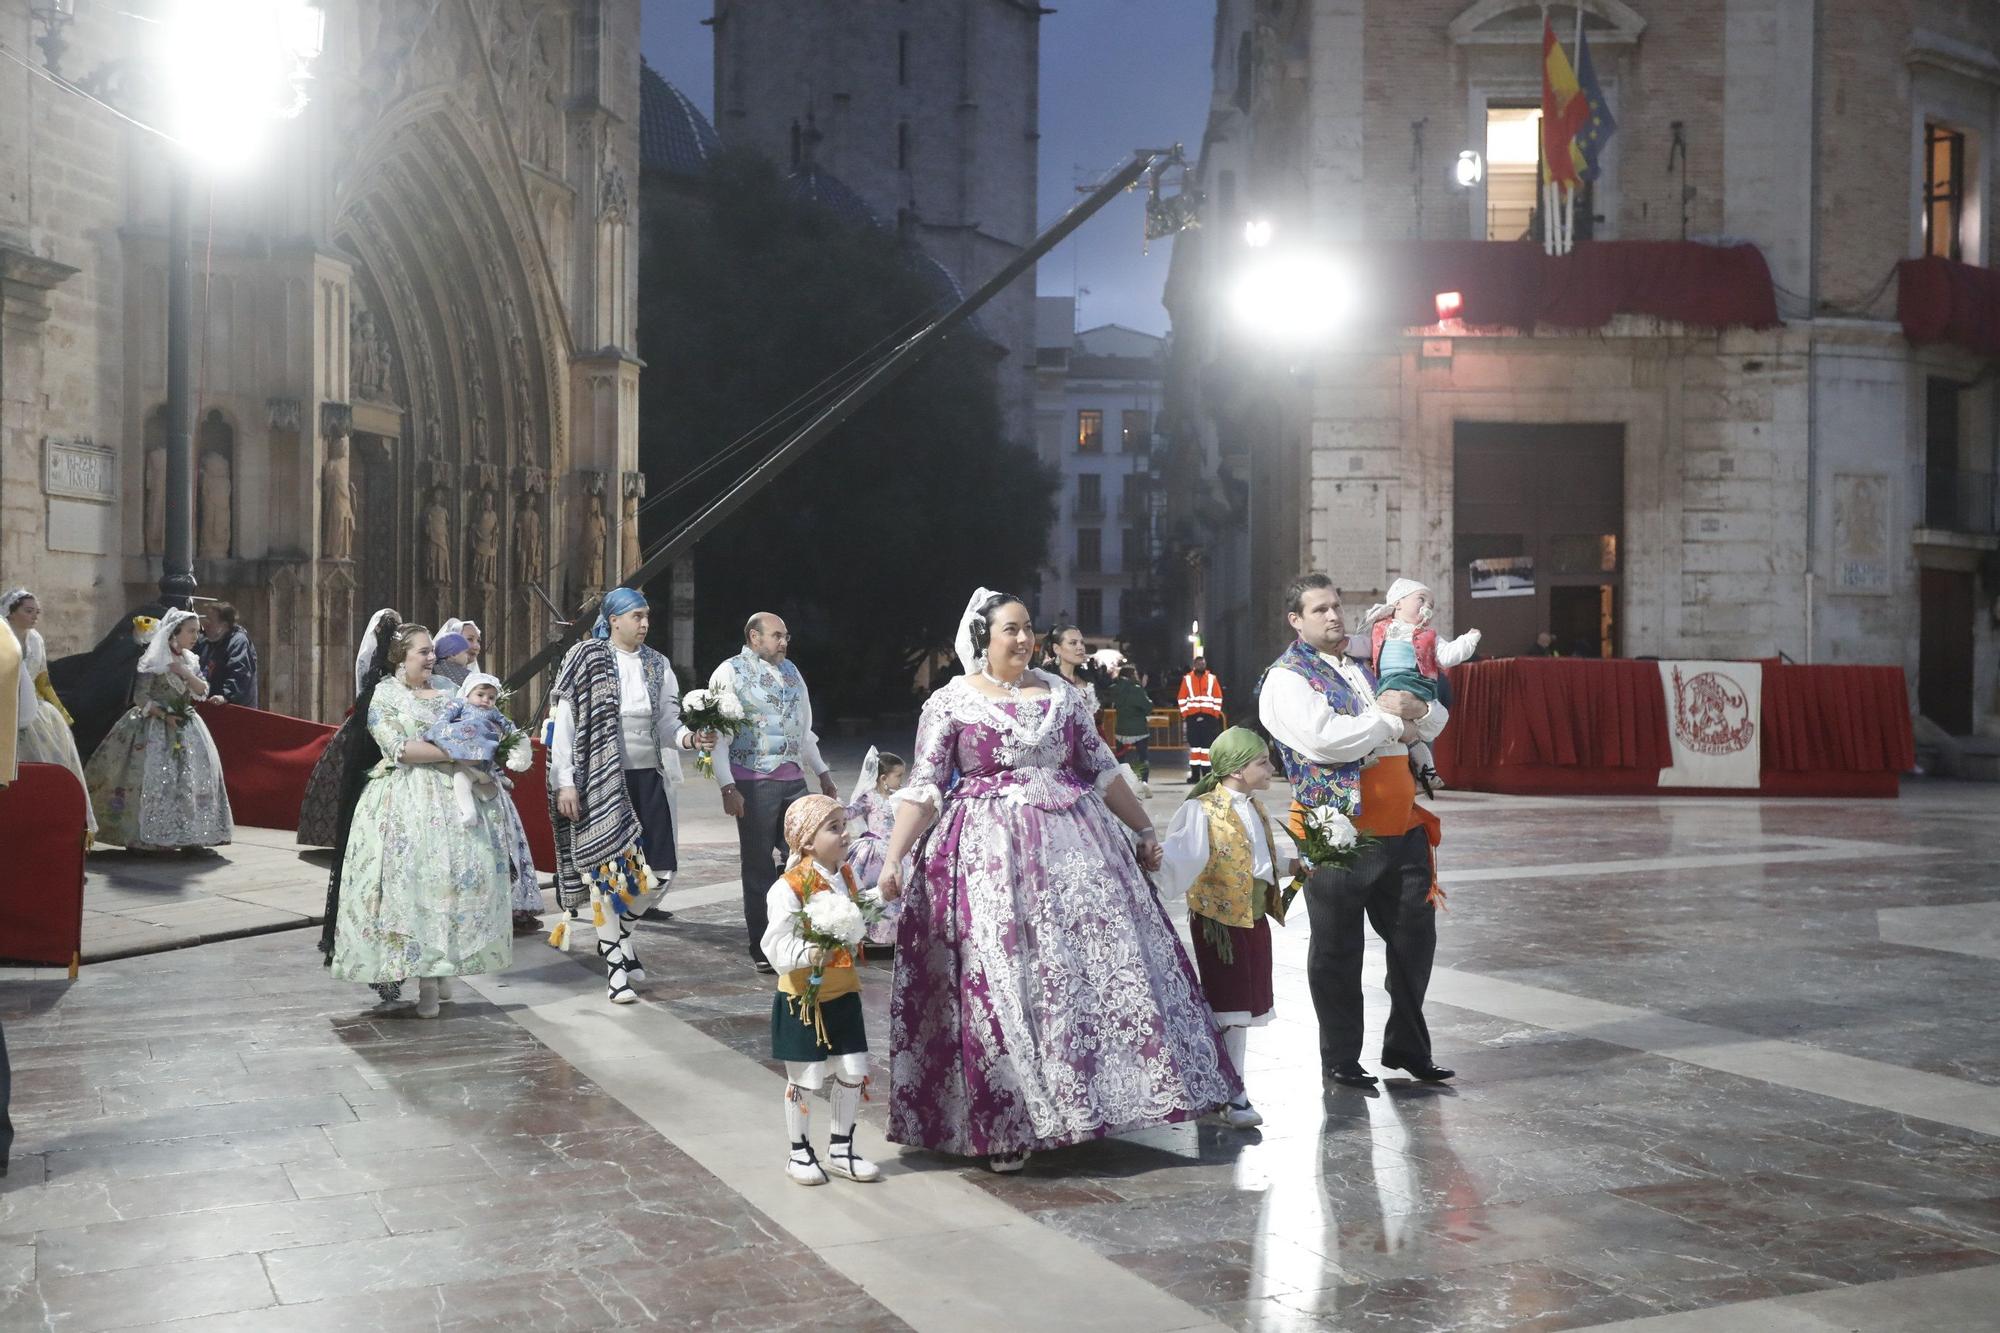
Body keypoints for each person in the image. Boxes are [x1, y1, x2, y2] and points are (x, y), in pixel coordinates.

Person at [878, 589, 1237, 1173]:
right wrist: (894, 858)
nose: (1023, 640)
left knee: (1082, 973)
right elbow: (924, 786)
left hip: (1077, 852)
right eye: (1010, 630)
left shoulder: (1063, 695)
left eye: (1028, 630)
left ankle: (1086, 1105)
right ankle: (1009, 1121)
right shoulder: (951, 703)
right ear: (983, 638)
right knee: (1003, 981)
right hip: (987, 858)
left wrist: (1145, 829)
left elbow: (1100, 768)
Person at [1257, 573, 1453, 1089]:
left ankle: (1408, 1047)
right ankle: (1341, 1057)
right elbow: (1326, 741)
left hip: (1400, 822)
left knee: (1416, 939)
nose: (1334, 616)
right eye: (1319, 609)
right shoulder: (1286, 677)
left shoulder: (1373, 662)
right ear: (1295, 620)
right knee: (1337, 947)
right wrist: (1392, 724)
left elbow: (1430, 715)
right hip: (1331, 825)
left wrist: (1419, 713)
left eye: (1337, 606)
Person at [327, 620, 514, 1017]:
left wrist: (486, 745)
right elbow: (399, 748)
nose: (432, 657)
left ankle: (444, 966)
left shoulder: (449, 690)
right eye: (423, 652)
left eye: (432, 651)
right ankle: (426, 979)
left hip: (454, 798)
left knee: (453, 885)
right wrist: (460, 750)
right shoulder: (385, 694)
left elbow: (483, 723)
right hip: (405, 800)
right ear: (401, 657)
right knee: (416, 888)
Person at [548, 587, 707, 1003]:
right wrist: (564, 780)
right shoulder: (585, 658)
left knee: (657, 875)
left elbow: (669, 725)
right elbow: (564, 722)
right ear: (613, 619)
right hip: (601, 780)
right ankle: (616, 967)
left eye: (647, 615)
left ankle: (616, 936)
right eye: (637, 615)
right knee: (610, 877)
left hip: (646, 777)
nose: (644, 623)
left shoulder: (657, 664)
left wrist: (692, 738)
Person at [1157, 727, 1301, 1131]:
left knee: (1244, 1007)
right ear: (1237, 770)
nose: (1271, 768)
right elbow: (1181, 859)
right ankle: (1229, 1092)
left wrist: (1291, 866)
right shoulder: (1202, 809)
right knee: (1230, 1008)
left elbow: (1255, 860)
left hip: (1252, 918)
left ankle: (1226, 1086)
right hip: (1221, 922)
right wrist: (1154, 864)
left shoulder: (1253, 807)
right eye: (1262, 762)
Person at [762, 794, 882, 1186]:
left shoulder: (844, 875)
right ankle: (798, 1152)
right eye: (834, 827)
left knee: (852, 1071)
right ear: (807, 841)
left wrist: (883, 896)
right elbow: (775, 944)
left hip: (843, 991)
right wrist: (809, 952)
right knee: (806, 1078)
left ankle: (840, 1149)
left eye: (843, 824)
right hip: (804, 999)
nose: (845, 833)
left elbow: (858, 910)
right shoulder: (790, 887)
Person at [709, 612, 837, 973]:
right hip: (752, 780)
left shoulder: (793, 672)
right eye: (777, 636)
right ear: (754, 637)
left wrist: (824, 774)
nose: (784, 642)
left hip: (794, 779)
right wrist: (727, 785)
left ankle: (803, 934)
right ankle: (763, 945)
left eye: (786, 636)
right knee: (758, 865)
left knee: (805, 856)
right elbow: (718, 735)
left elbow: (804, 729)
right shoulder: (730, 671)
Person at [84, 608, 233, 852]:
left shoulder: (190, 660)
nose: (196, 636)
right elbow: (141, 696)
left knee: (188, 779)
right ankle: (144, 835)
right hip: (153, 726)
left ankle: (189, 832)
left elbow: (201, 691)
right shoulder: (155, 660)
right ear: (174, 633)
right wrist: (164, 715)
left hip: (186, 724)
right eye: (191, 631)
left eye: (197, 631)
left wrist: (184, 673)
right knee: (146, 777)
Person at [1361, 578, 1480, 793]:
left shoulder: (1430, 636)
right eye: (1421, 599)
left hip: (1416, 686)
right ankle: (1427, 773)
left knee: (1383, 718)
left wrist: (1467, 640)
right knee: (1405, 734)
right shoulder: (1380, 629)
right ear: (1397, 603)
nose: (1426, 607)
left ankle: (1368, 755)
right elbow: (1362, 647)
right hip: (1388, 684)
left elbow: (1448, 655)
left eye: (1431, 605)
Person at [3, 589, 96, 840]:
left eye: (37, 612)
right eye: (28, 611)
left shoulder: (36, 641)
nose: (34, 617)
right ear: (11, 612)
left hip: (38, 714)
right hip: (7, 713)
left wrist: (61, 711)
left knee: (53, 769)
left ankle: (54, 832)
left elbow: (43, 679)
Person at [423, 673, 526, 827]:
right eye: (480, 694)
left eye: (491, 698)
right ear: (468, 693)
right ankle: (469, 811)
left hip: (482, 752)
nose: (485, 700)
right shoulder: (461, 704)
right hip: (463, 749)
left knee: (474, 766)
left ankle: (492, 775)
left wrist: (518, 739)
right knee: (460, 778)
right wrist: (441, 727)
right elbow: (446, 715)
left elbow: (508, 725)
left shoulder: (493, 712)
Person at [843, 746, 907, 952]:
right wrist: (836, 809)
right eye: (898, 776)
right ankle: (868, 931)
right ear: (883, 778)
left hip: (896, 850)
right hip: (873, 851)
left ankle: (894, 934)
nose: (901, 780)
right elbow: (851, 812)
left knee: (897, 890)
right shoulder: (869, 797)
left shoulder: (901, 797)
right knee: (871, 888)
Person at [196, 603, 259, 708]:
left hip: (234, 711)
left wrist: (226, 695)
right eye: (205, 618)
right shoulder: (206, 641)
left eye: (210, 620)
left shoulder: (238, 642)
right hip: (211, 706)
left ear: (223, 625)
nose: (205, 623)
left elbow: (240, 672)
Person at [1105, 662, 1155, 794]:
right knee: (1143, 757)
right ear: (1132, 675)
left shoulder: (1114, 688)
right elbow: (1147, 707)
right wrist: (1142, 688)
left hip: (1121, 729)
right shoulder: (1136, 689)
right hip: (1139, 729)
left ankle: (1123, 782)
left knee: (1121, 758)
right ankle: (1143, 781)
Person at [1177, 655, 1225, 784]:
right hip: (1192, 717)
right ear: (1194, 665)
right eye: (1199, 664)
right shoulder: (1187, 679)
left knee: (1207, 747)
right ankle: (1195, 775)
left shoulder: (1212, 679)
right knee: (1195, 747)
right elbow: (1181, 698)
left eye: (1203, 664)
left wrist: (1214, 714)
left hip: (1209, 718)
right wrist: (1186, 714)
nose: (1201, 666)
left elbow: (1218, 697)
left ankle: (1207, 774)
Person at [1040, 622, 1104, 709]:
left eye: (1082, 643)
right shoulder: (1046, 681)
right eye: (1073, 643)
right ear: (1057, 649)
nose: (1080, 647)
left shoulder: (1088, 678)